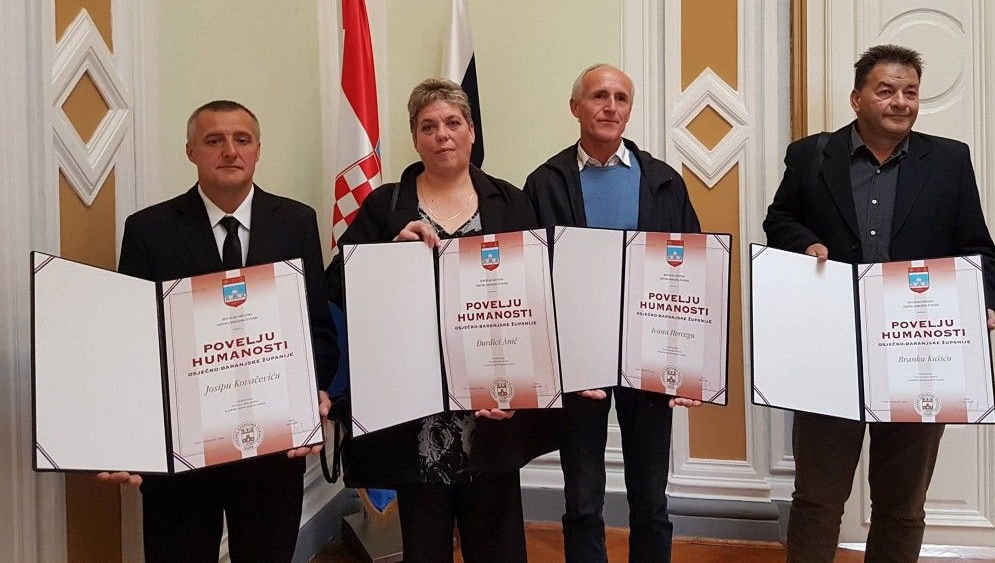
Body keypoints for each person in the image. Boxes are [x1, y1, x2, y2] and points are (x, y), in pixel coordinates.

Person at [763, 45, 995, 562]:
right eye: (886, 90)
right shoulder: (810, 156)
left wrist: (978, 301)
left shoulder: (950, 160)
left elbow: (978, 249)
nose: (901, 102)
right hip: (830, 349)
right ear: (857, 98)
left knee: (902, 503)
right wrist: (806, 243)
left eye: (910, 92)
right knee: (818, 498)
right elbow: (778, 219)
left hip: (917, 352)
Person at [326, 78, 557, 563]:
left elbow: (539, 297)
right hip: (416, 411)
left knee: (497, 547)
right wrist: (387, 254)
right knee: (425, 545)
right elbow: (336, 287)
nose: (442, 135)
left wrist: (521, 385)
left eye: (453, 123)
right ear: (415, 138)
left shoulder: (510, 201)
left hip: (493, 404)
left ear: (471, 131)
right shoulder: (386, 206)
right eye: (428, 126)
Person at [107, 100, 339, 563]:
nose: (230, 151)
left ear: (258, 150)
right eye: (214, 140)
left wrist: (310, 393)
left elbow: (317, 328)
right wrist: (127, 429)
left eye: (242, 139)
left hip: (273, 451)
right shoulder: (148, 230)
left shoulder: (296, 222)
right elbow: (130, 344)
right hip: (182, 458)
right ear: (191, 151)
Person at [523, 63, 702, 563]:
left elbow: (692, 270)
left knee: (651, 498)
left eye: (621, 98)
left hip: (649, 354)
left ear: (629, 110)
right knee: (582, 498)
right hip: (577, 357)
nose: (610, 106)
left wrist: (688, 366)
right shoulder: (544, 183)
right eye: (599, 96)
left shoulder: (663, 181)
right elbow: (529, 275)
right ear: (575, 107)